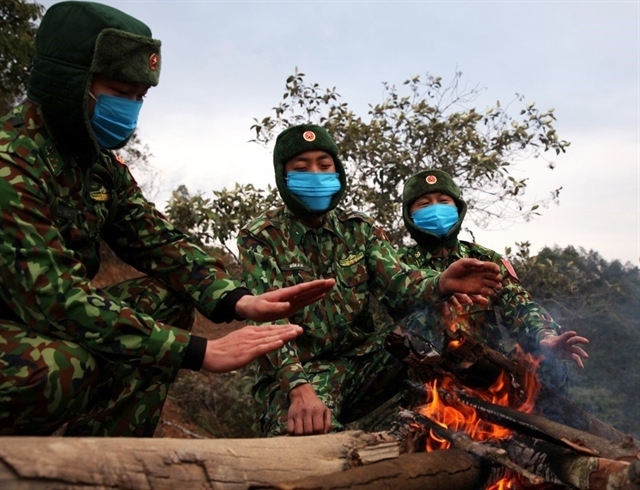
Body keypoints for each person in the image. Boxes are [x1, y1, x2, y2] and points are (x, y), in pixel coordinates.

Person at [0, 1, 335, 437]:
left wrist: (237, 301)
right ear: (69, 81)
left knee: (167, 298)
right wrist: (198, 352)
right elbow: (57, 297)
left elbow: (160, 242)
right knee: (63, 366)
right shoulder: (11, 161)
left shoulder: (98, 165)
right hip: (28, 319)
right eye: (120, 93)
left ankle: (106, 459)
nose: (131, 109)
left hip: (34, 322)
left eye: (140, 98)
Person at [237, 124, 504, 437]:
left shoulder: (359, 229)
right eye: (301, 168)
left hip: (364, 362)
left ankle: (455, 411)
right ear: (283, 176)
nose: (315, 175)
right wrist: (298, 389)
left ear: (338, 172)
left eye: (325, 166)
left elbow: (398, 283)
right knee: (307, 443)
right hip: (302, 375)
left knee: (434, 319)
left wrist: (442, 282)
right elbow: (267, 322)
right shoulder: (261, 236)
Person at [399, 168, 589, 391]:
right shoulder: (398, 265)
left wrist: (544, 335)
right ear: (410, 214)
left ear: (458, 209)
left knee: (547, 361)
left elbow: (519, 306)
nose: (436, 209)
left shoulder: (484, 260)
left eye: (443, 201)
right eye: (424, 204)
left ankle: (557, 422)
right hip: (431, 386)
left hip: (486, 378)